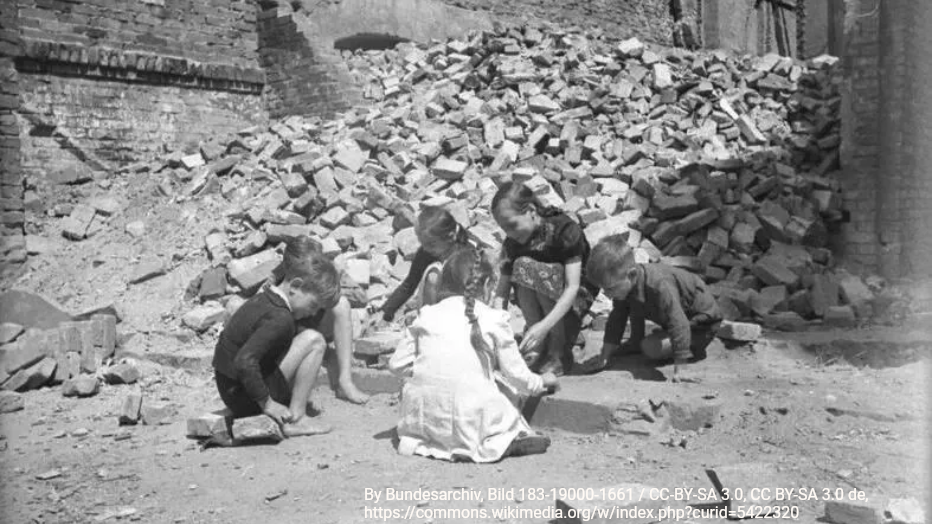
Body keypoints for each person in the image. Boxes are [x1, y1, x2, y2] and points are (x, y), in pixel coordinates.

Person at [388, 246, 559, 463]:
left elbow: (396, 365)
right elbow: (518, 377)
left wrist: (427, 370)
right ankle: (507, 437)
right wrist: (542, 381)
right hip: (470, 422)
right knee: (505, 389)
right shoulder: (494, 319)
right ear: (487, 285)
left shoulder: (426, 315)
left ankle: (438, 439)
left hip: (421, 424)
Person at [213, 238, 341, 437]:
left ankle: (287, 404)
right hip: (244, 398)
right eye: (314, 305)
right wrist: (268, 404)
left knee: (303, 338)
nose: (313, 313)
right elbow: (244, 361)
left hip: (230, 389)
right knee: (314, 341)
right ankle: (296, 419)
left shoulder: (265, 299)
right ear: (295, 286)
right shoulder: (280, 318)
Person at [490, 180, 599, 376]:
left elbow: (573, 287)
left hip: (575, 295)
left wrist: (544, 326)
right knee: (523, 265)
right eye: (505, 229)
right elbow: (502, 291)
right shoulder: (513, 242)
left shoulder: (564, 230)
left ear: (531, 211)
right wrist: (495, 329)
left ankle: (558, 347)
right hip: (544, 296)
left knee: (533, 269)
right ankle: (538, 343)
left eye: (512, 225)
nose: (510, 234)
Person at [585, 234, 723, 382]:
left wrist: (681, 369)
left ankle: (687, 346)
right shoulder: (627, 284)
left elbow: (679, 323)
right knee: (630, 302)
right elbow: (617, 318)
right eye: (604, 289)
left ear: (631, 275)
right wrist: (604, 356)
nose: (607, 294)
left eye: (610, 288)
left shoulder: (659, 286)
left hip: (701, 326)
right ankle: (635, 342)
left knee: (651, 348)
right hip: (682, 319)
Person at [274, 237, 369, 405]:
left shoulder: (327, 271)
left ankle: (345, 380)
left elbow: (361, 297)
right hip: (291, 331)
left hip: (316, 322)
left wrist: (326, 291)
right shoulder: (277, 277)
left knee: (341, 305)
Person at [378, 206, 469, 323]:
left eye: (430, 244)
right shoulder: (427, 252)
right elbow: (409, 285)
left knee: (433, 277)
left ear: (450, 237)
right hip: (435, 310)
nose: (425, 248)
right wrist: (385, 312)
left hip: (460, 312)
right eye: (421, 242)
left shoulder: (465, 257)